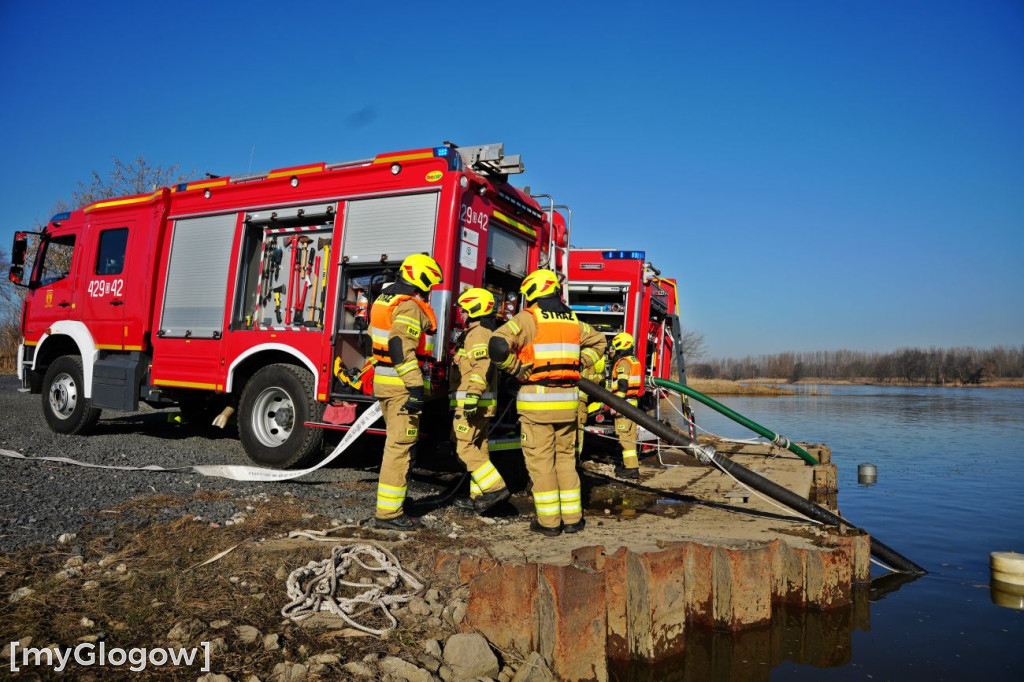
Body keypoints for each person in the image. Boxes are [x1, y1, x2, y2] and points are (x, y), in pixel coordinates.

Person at [488, 269, 606, 536]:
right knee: (565, 461)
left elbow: (496, 345)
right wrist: (580, 362)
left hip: (537, 406)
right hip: (568, 405)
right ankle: (573, 519)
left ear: (532, 292)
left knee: (541, 464)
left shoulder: (528, 319)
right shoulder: (573, 321)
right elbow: (600, 342)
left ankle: (549, 523)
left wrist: (515, 368)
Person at [370, 253, 443, 530]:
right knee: (400, 447)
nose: (428, 291)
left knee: (397, 444)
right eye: (429, 285)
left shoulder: (385, 298)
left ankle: (395, 501)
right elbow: (399, 345)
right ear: (421, 280)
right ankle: (389, 514)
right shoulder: (410, 306)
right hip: (401, 385)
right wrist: (415, 387)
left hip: (384, 381)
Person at [449, 287, 510, 513]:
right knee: (478, 448)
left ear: (475, 309)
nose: (462, 314)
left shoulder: (478, 334)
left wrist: (472, 395)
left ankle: (495, 489)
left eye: (465, 310)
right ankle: (479, 497)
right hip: (479, 403)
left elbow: (481, 367)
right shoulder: (476, 334)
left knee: (463, 447)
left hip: (473, 403)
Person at [609, 332, 643, 479]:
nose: (613, 350)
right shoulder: (634, 360)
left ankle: (631, 469)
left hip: (624, 405)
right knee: (630, 436)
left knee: (624, 437)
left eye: (614, 347)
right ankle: (631, 466)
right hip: (633, 404)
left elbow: (623, 386)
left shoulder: (623, 363)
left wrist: (615, 405)